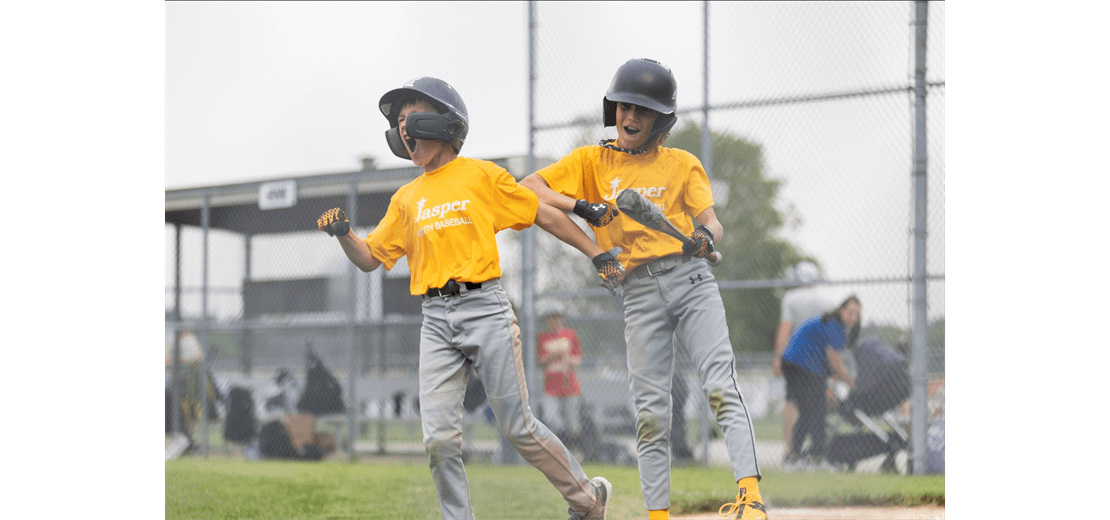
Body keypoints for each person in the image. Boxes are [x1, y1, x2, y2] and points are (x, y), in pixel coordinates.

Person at [316, 77, 611, 520]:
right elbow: (369, 259)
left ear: (443, 122)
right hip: (435, 318)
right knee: (438, 440)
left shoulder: (481, 175)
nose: (404, 131)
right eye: (398, 125)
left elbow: (542, 212)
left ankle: (587, 500)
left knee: (518, 426)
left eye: (410, 118)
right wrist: (344, 234)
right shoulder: (405, 198)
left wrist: (596, 252)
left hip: (486, 307)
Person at [521, 58, 767, 520]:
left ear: (661, 122)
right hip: (636, 292)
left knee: (719, 385)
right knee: (651, 411)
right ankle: (658, 516)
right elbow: (529, 188)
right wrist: (584, 208)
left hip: (691, 280)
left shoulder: (681, 163)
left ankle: (751, 499)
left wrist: (707, 237)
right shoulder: (592, 161)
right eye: (624, 107)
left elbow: (710, 220)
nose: (630, 118)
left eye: (643, 111)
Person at [779, 294, 861, 471]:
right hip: (800, 365)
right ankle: (815, 458)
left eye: (857, 314)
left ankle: (794, 458)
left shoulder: (833, 324)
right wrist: (853, 383)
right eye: (850, 312)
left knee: (810, 412)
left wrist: (833, 383)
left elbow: (829, 365)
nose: (853, 318)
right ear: (841, 310)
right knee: (816, 411)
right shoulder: (835, 326)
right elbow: (836, 364)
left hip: (800, 365)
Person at [770, 261, 835, 469]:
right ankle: (817, 454)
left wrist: (778, 356)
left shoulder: (791, 298)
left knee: (791, 403)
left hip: (795, 359)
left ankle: (791, 451)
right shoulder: (826, 301)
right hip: (818, 361)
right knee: (816, 406)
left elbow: (785, 329)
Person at [536, 308, 585, 446]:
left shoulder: (570, 334)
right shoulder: (542, 337)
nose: (554, 321)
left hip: (570, 386)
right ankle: (558, 447)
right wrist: (553, 356)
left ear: (561, 318)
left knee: (573, 424)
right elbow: (539, 361)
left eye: (557, 317)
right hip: (550, 387)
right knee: (551, 418)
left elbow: (578, 358)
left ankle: (574, 449)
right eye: (550, 318)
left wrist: (569, 361)